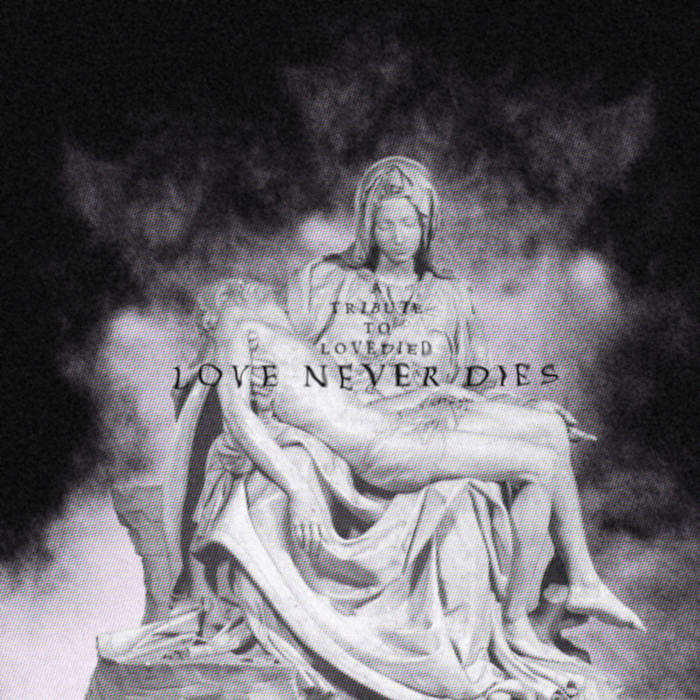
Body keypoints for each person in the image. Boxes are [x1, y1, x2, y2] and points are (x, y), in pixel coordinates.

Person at [170, 279, 644, 654]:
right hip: (385, 451)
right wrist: (299, 489)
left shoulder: (281, 341)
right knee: (540, 463)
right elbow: (238, 418)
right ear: (217, 315)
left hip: (394, 425)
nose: (253, 292)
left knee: (547, 428)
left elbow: (352, 406)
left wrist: (453, 395)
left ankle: (576, 586)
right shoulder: (238, 331)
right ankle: (524, 617)